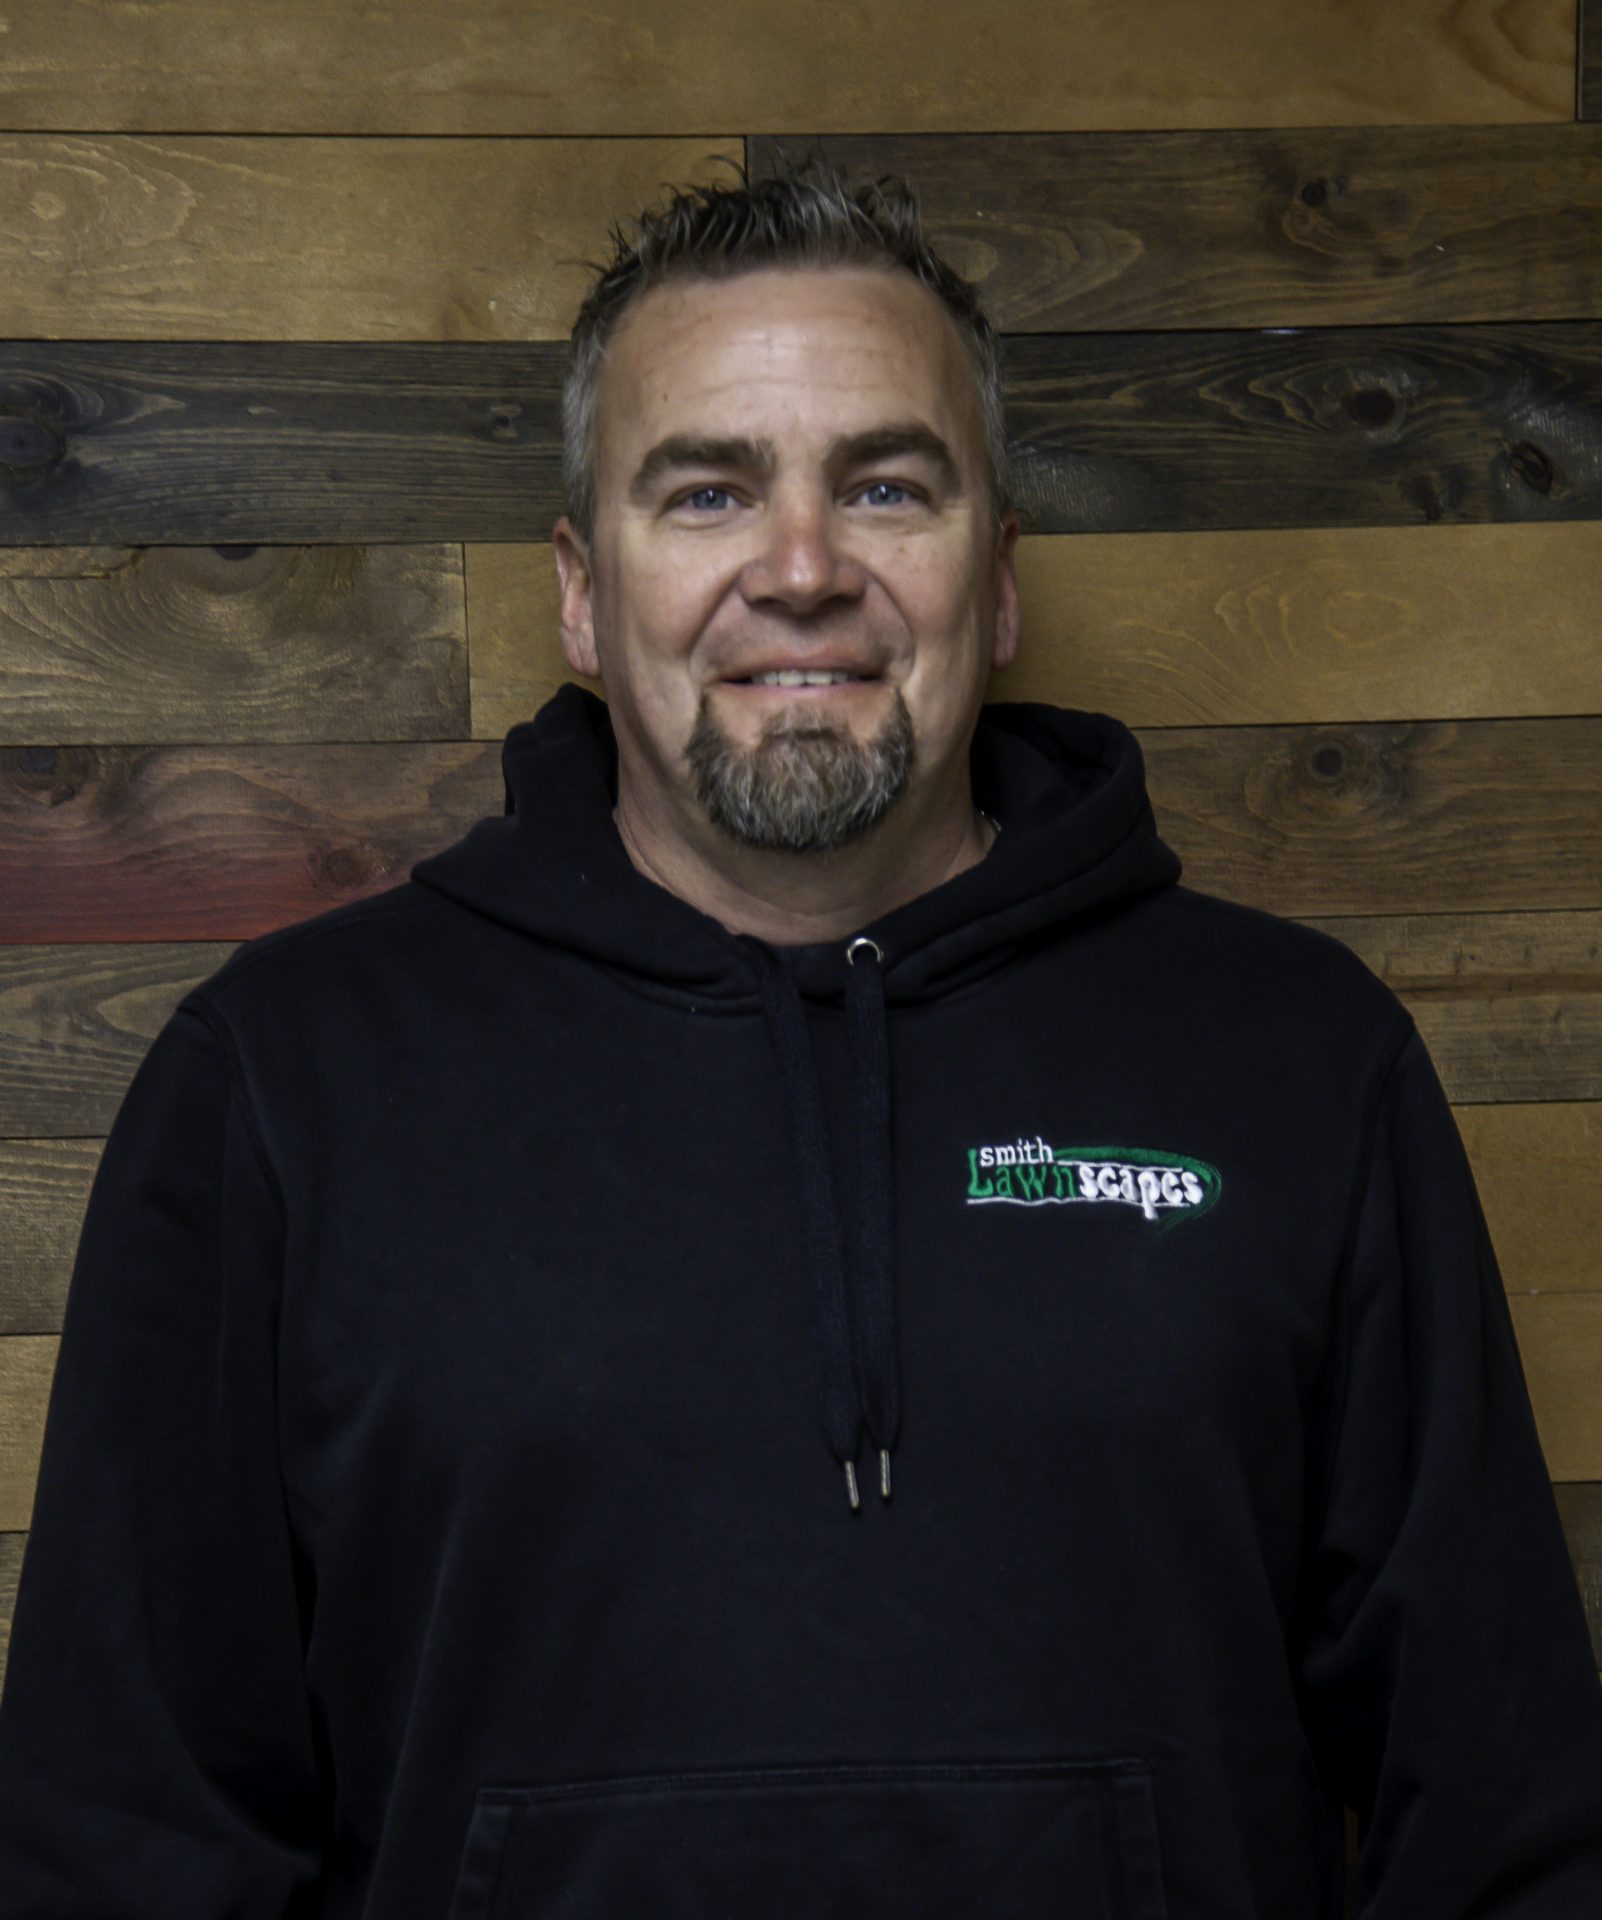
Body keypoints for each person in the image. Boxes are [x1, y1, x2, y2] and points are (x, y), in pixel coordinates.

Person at [1, 151, 1599, 1919]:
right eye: (702, 494)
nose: (802, 568)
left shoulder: (1296, 1063)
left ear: (994, 579)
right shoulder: (282, 1090)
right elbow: (125, 1838)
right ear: (581, 595)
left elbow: (1503, 1810)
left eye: (887, 486)